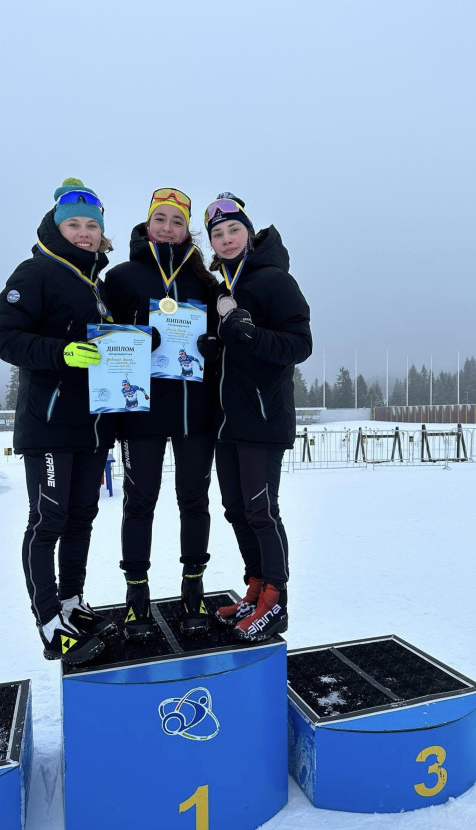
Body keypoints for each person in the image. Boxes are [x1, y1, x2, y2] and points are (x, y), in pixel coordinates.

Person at [0, 177, 117, 664]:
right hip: (49, 425)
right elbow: (3, 337)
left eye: (91, 226)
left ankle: (71, 602)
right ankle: (48, 621)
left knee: (82, 518)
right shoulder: (36, 272)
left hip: (93, 426)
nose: (84, 233)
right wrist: (61, 352)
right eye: (73, 224)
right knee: (48, 522)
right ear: (56, 227)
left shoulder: (95, 283)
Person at [103, 188, 219, 638]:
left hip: (195, 414)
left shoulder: (205, 282)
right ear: (148, 224)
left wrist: (213, 346)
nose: (168, 228)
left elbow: (224, 341)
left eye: (177, 221)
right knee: (139, 503)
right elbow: (102, 338)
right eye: (161, 219)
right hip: (141, 414)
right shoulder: (121, 278)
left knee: (194, 500)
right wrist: (132, 338)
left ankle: (194, 588)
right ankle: (137, 595)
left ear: (187, 229)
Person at [204, 193, 312, 642]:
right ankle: (256, 586)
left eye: (234, 230)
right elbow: (234, 355)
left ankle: (277, 600)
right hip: (227, 422)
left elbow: (299, 345)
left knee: (262, 511)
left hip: (263, 419)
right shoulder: (223, 288)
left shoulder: (275, 280)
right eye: (218, 234)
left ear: (248, 233)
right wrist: (215, 349)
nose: (227, 239)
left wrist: (250, 333)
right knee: (236, 510)